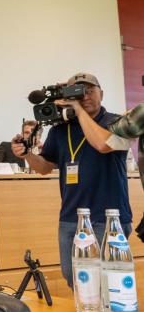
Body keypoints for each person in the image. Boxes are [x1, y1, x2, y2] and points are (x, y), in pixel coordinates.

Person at [10, 73, 132, 288]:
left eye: (89, 90)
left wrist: (78, 110)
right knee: (74, 279)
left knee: (110, 282)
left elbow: (104, 145)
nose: (84, 96)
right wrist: (26, 154)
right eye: (78, 91)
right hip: (71, 217)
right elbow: (45, 167)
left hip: (110, 217)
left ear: (101, 93)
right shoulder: (60, 130)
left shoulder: (117, 122)